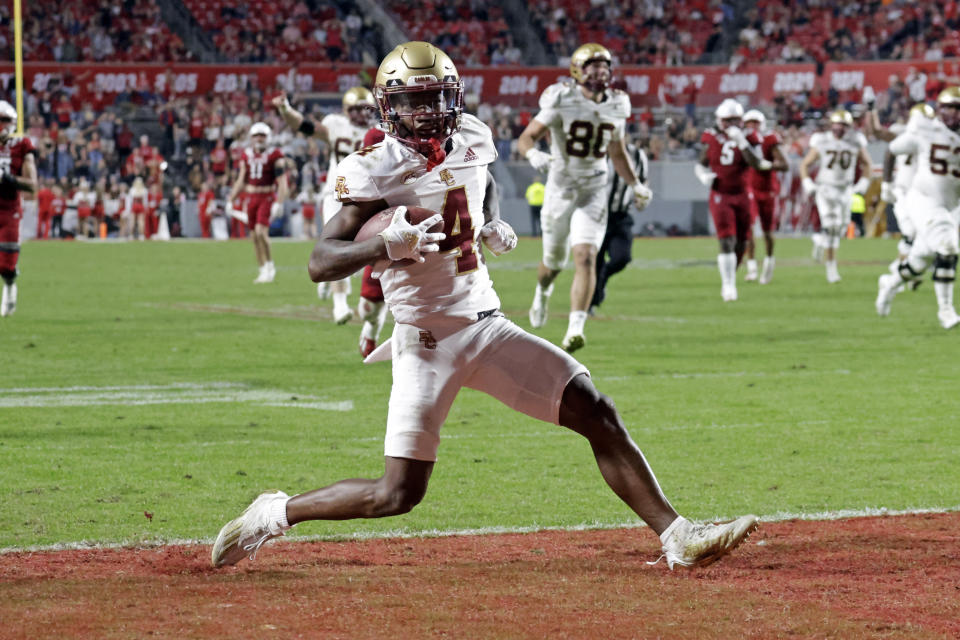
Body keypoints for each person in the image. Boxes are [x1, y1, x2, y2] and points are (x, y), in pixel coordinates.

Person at [211, 41, 758, 572]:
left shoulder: (471, 134)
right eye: (413, 100)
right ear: (388, 105)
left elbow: (482, 179)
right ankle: (274, 513)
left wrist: (491, 219)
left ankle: (676, 535)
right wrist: (383, 246)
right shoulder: (373, 168)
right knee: (397, 493)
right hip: (426, 339)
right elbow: (320, 260)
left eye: (437, 97)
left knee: (597, 410)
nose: (428, 111)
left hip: (487, 324)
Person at [517, 43, 652, 353]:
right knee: (553, 263)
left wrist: (635, 184)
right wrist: (533, 154)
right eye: (592, 65)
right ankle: (543, 291)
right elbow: (527, 136)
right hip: (560, 189)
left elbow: (616, 152)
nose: (600, 71)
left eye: (604, 65)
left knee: (586, 256)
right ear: (578, 69)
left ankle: (575, 329)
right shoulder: (561, 97)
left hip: (593, 189)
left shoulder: (618, 104)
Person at [274, 87, 377, 322]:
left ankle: (336, 283)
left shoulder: (381, 132)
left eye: (364, 108)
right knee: (336, 245)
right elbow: (304, 126)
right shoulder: (336, 125)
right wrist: (285, 109)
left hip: (368, 196)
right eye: (355, 109)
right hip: (337, 193)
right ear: (345, 110)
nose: (360, 113)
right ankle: (339, 304)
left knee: (364, 249)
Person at [876, 87, 960, 329]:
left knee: (920, 261)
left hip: (951, 205)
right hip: (923, 199)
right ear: (939, 110)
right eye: (949, 107)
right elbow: (891, 151)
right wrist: (887, 185)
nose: (953, 113)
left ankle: (890, 283)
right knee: (948, 246)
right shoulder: (926, 130)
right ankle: (946, 310)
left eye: (958, 108)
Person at [694, 99, 774, 301]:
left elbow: (756, 163)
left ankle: (731, 274)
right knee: (726, 240)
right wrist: (703, 175)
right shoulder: (711, 137)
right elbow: (701, 163)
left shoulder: (748, 136)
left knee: (742, 241)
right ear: (719, 120)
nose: (730, 124)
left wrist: (742, 142)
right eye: (727, 120)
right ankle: (728, 285)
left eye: (734, 120)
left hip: (743, 194)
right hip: (721, 194)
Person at [799, 109, 872, 283]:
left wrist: (863, 184)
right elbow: (805, 164)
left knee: (841, 227)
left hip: (845, 189)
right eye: (836, 124)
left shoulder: (855, 141)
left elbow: (867, 164)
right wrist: (807, 183)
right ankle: (831, 269)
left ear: (849, 127)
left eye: (843, 125)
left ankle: (819, 240)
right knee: (831, 227)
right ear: (831, 125)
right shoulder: (821, 140)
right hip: (826, 188)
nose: (839, 128)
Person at [875, 104, 936, 288]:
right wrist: (887, 183)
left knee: (920, 236)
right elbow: (881, 137)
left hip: (922, 194)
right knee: (911, 234)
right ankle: (900, 275)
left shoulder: (934, 138)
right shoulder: (903, 135)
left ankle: (903, 271)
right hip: (903, 191)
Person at [590, 139, 649, 313]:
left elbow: (643, 180)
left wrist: (642, 196)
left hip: (621, 215)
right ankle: (590, 304)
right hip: (596, 216)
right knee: (595, 262)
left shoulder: (637, 155)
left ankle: (603, 279)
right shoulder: (596, 153)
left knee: (622, 258)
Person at [227, 122, 288, 283]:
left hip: (266, 197)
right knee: (254, 236)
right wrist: (231, 199)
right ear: (251, 138)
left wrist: (279, 202)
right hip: (251, 198)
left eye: (262, 135)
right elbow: (241, 179)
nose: (259, 139)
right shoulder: (246, 154)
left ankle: (270, 265)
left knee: (261, 231)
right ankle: (262, 269)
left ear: (268, 137)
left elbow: (282, 182)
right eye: (256, 135)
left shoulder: (275, 155)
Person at [0, 100, 38, 317]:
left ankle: (10, 284)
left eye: (5, 120)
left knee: (5, 266)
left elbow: (33, 184)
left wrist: (8, 179)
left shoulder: (21, 145)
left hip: (9, 209)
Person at [742, 110, 788, 285]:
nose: (752, 126)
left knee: (768, 232)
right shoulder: (741, 140)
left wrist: (765, 165)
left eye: (755, 123)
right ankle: (752, 267)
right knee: (749, 228)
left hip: (767, 190)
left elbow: (784, 165)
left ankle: (769, 262)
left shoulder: (769, 140)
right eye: (749, 123)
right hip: (748, 188)